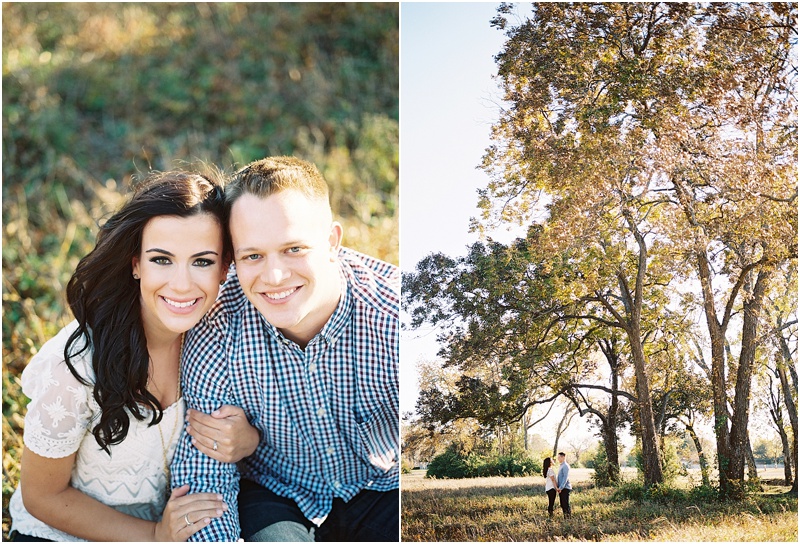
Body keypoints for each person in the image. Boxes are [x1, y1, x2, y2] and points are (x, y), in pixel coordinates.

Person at [8, 171, 258, 542]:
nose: (182, 283)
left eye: (202, 262)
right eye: (162, 260)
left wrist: (248, 441)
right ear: (135, 263)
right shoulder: (78, 365)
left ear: (225, 268)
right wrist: (153, 535)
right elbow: (42, 496)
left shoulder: (219, 341)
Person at [172, 156, 399, 542]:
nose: (274, 277)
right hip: (275, 491)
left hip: (381, 488)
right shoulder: (215, 326)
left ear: (331, 242)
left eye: (293, 249)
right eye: (253, 255)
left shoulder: (394, 319)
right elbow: (204, 477)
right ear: (234, 258)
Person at [556, 452, 572, 518]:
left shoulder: (565, 466)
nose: (558, 458)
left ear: (563, 457)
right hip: (561, 488)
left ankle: (568, 517)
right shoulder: (561, 465)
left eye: (559, 457)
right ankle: (565, 517)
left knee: (565, 503)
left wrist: (561, 487)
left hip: (565, 488)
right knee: (562, 503)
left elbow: (565, 478)